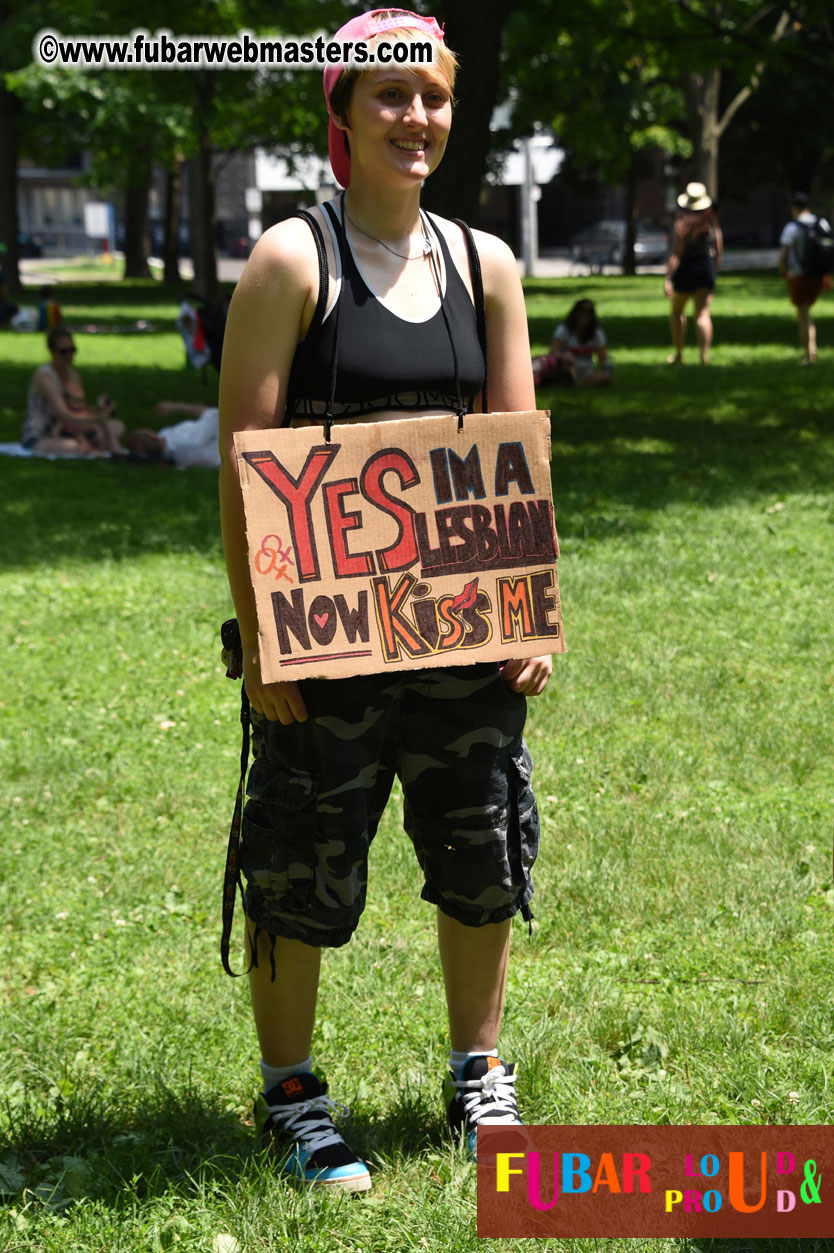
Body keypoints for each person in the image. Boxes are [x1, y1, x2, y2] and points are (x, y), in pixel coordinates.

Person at [218, 7, 551, 1193]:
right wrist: (264, 638)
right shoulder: (290, 261)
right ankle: (293, 1094)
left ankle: (478, 1070)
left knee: (482, 847)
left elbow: (512, 454)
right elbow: (246, 462)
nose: (417, 117)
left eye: (435, 97)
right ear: (341, 113)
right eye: (391, 95)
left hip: (462, 637)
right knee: (301, 861)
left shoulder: (486, 264)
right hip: (328, 641)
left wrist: (529, 612)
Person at [21, 327, 125, 455]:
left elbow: (79, 410)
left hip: (74, 430)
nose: (69, 356)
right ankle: (94, 443)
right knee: (73, 447)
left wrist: (100, 413)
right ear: (52, 352)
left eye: (72, 350)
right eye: (64, 352)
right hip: (43, 435)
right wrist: (97, 420)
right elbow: (63, 415)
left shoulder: (73, 375)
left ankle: (93, 442)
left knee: (118, 426)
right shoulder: (45, 377)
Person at [664, 182, 723, 365]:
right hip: (705, 267)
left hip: (686, 269)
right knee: (702, 314)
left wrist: (668, 278)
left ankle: (679, 354)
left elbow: (676, 253)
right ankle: (704, 357)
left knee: (676, 312)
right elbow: (719, 246)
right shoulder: (711, 222)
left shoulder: (681, 223)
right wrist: (715, 269)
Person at [778, 191, 832, 365]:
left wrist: (782, 270)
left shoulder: (792, 227)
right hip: (819, 275)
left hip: (799, 275)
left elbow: (784, 253)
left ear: (795, 208)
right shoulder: (822, 223)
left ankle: (808, 356)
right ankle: (813, 348)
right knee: (808, 313)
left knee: (803, 315)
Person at [532, 298, 613, 387]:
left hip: (587, 373)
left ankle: (577, 385)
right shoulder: (564, 330)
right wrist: (565, 356)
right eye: (581, 310)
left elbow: (603, 359)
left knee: (604, 376)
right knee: (567, 359)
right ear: (575, 312)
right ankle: (568, 383)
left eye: (589, 311)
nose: (584, 314)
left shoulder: (597, 333)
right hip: (566, 369)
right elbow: (554, 352)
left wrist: (607, 370)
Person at [128, 401, 220, 468]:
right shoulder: (184, 442)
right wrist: (175, 407)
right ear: (152, 435)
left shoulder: (165, 436)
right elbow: (212, 414)